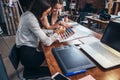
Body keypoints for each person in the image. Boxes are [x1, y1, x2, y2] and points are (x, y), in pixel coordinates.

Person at [15, 0, 62, 77]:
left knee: (52, 52)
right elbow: (47, 42)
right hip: (29, 57)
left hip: (25, 52)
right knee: (54, 55)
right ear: (40, 10)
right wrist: (57, 33)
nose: (46, 15)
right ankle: (51, 73)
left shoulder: (28, 14)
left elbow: (38, 30)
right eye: (46, 13)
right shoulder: (31, 19)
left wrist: (52, 32)